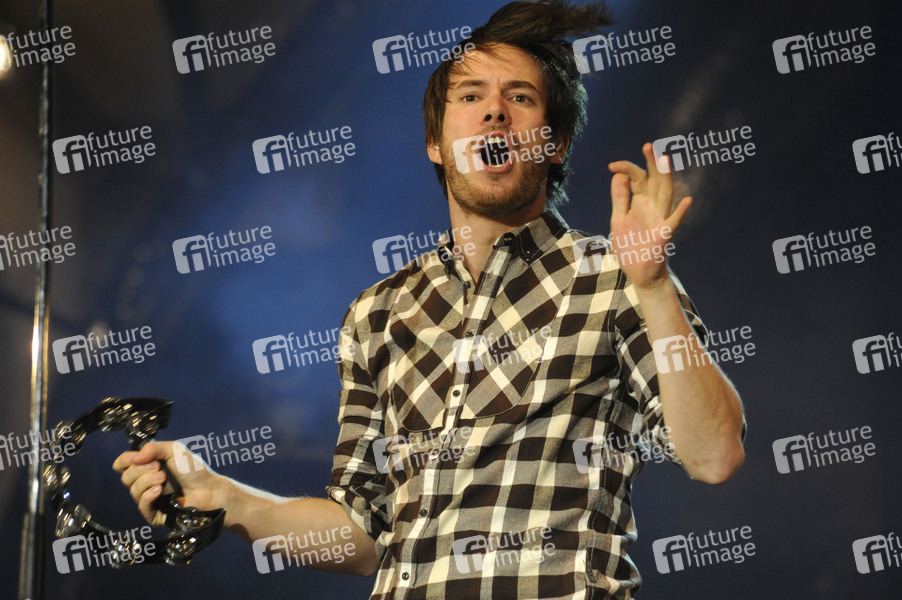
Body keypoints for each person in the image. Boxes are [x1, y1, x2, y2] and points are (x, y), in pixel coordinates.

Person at [114, 1, 745, 598]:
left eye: (520, 97)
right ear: (436, 143)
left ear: (554, 144)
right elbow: (363, 533)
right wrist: (227, 499)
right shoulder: (378, 314)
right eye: (470, 96)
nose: (494, 112)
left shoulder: (614, 277)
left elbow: (714, 454)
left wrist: (653, 287)